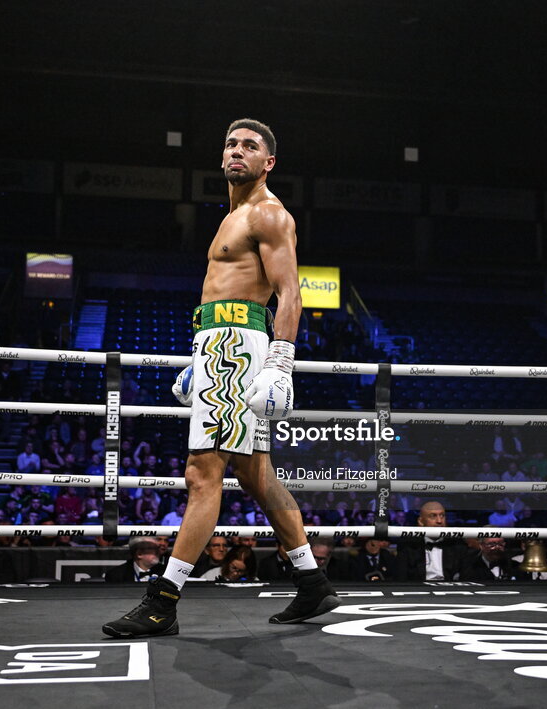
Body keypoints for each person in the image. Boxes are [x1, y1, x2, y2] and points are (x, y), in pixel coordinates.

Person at [103, 119, 338, 638]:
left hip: (235, 351)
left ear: (268, 162)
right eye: (231, 143)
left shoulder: (268, 214)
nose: (237, 151)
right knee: (256, 475)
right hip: (219, 344)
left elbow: (290, 294)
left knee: (201, 476)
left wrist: (279, 363)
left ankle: (162, 601)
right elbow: (226, 295)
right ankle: (311, 581)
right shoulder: (233, 215)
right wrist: (199, 352)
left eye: (250, 146)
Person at [395, 501, 466, 581]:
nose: (439, 521)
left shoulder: (457, 544)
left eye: (442, 516)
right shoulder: (409, 545)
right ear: (421, 522)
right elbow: (401, 579)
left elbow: (466, 578)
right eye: (433, 516)